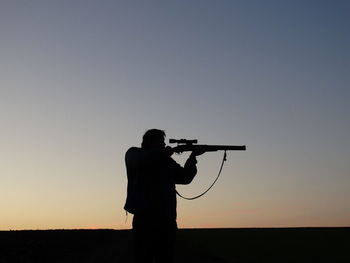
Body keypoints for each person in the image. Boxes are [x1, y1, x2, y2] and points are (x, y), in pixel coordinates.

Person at [124, 129, 203, 263]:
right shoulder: (134, 153)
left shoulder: (166, 160)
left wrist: (192, 158)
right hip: (145, 218)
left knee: (165, 258)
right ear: (151, 142)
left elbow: (184, 177)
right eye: (161, 142)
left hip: (166, 219)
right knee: (143, 258)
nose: (163, 145)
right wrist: (165, 153)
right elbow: (144, 159)